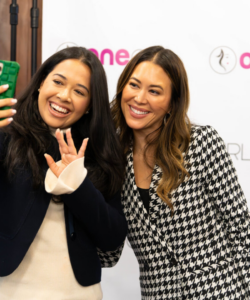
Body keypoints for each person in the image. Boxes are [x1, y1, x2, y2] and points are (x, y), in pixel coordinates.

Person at [0, 46, 127, 300]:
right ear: (41, 83)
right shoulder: (8, 132)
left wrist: (77, 184)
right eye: (58, 82)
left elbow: (112, 236)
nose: (65, 95)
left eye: (79, 91)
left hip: (77, 294)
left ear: (89, 105)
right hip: (6, 292)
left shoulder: (101, 152)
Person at [99, 46, 250, 299]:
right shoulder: (113, 163)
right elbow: (109, 254)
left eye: (155, 91)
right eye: (134, 85)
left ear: (172, 103)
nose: (139, 98)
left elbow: (242, 230)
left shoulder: (201, 143)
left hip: (223, 292)